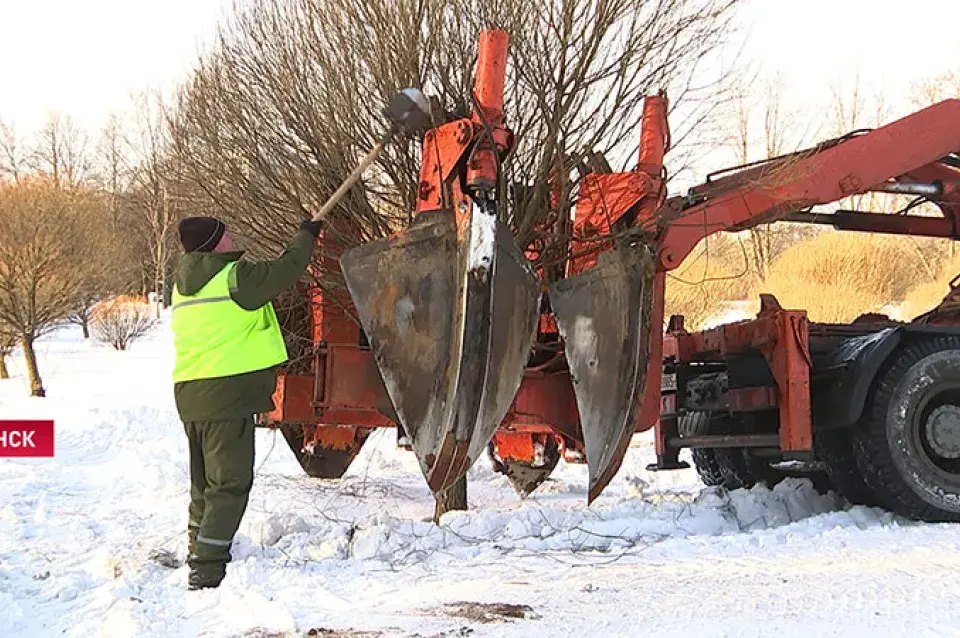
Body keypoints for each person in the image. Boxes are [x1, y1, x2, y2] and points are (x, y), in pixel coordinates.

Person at [171, 215, 322, 590]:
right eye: (227, 235)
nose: (233, 238)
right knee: (229, 483)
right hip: (226, 396)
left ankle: (199, 548)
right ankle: (206, 568)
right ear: (214, 243)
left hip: (191, 395)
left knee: (204, 484)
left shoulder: (182, 285)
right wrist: (306, 235)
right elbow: (286, 270)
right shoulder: (233, 278)